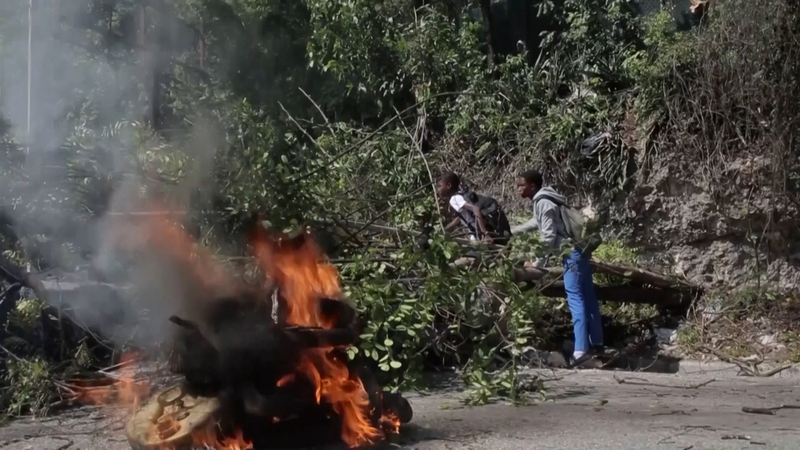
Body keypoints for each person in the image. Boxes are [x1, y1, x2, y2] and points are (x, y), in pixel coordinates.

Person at [512, 170, 603, 366]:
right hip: (580, 251)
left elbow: (548, 236)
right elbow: (537, 222)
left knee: (575, 298)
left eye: (521, 185)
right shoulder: (548, 198)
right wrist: (512, 231)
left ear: (532, 186)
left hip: (571, 254)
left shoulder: (543, 202)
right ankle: (597, 343)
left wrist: (537, 264)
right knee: (588, 296)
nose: (518, 189)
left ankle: (580, 352)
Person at [437, 172, 510, 245]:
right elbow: (460, 218)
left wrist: (485, 234)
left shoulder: (454, 199)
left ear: (449, 185)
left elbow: (476, 209)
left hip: (483, 233)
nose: (438, 189)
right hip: (486, 230)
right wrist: (445, 229)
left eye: (440, 186)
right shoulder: (461, 194)